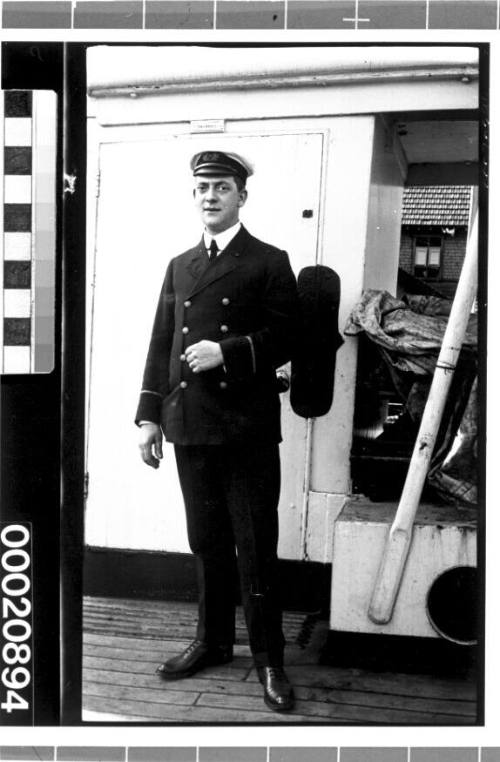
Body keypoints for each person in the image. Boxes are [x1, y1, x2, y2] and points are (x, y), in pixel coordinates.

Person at [136, 150, 298, 712]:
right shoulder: (180, 264)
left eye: (222, 187)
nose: (210, 196)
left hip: (246, 428)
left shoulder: (269, 261)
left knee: (255, 545)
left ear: (242, 197)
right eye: (202, 187)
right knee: (205, 541)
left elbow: (286, 338)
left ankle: (269, 660)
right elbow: (162, 344)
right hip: (190, 425)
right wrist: (148, 415)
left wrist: (225, 352)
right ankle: (211, 642)